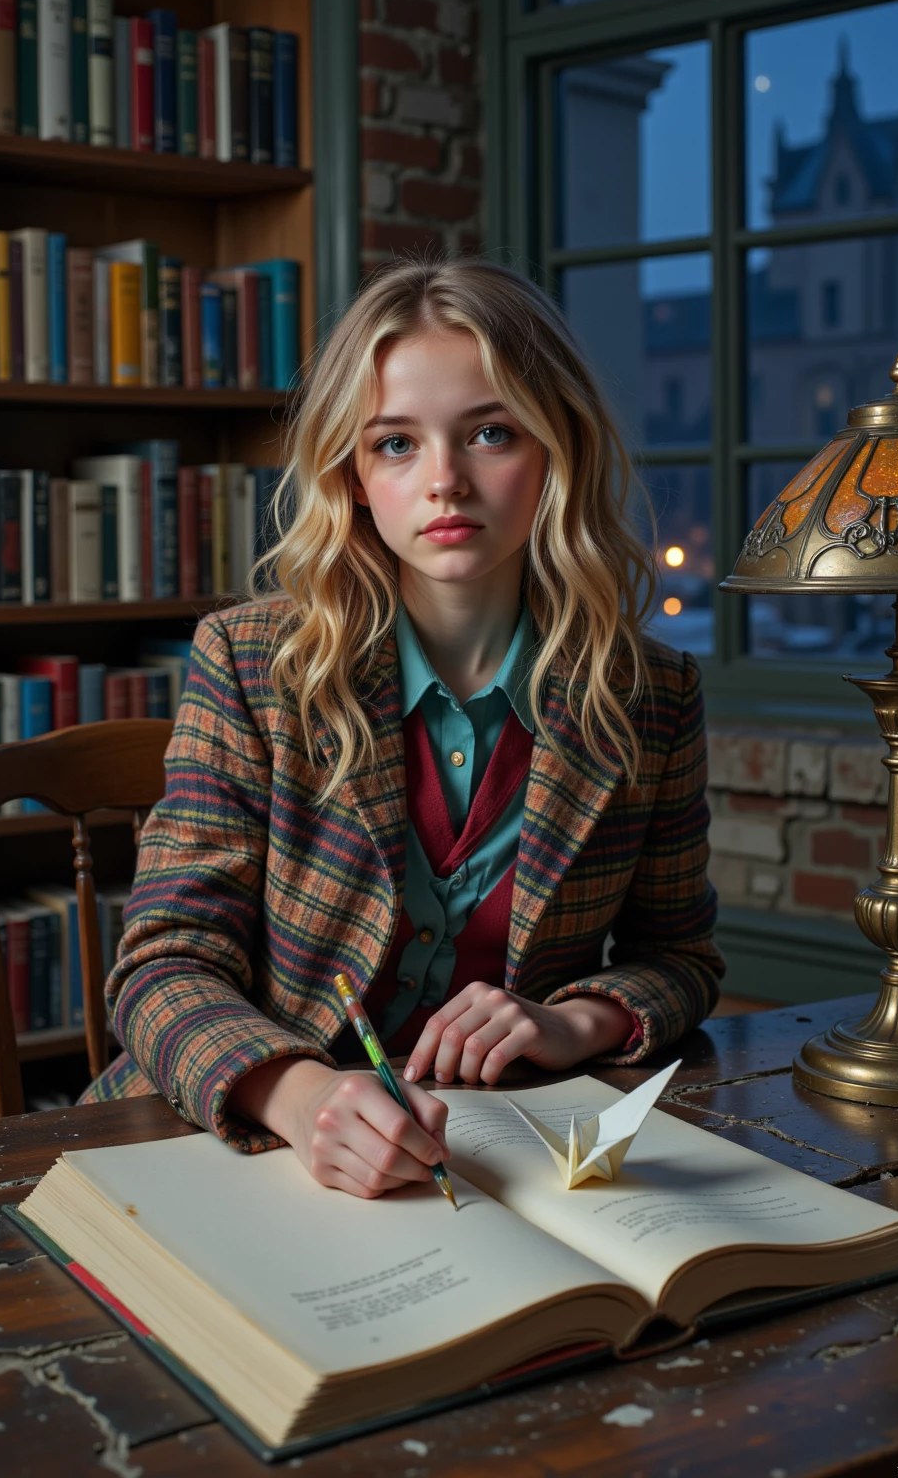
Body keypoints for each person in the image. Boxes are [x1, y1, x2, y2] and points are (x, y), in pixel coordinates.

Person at [80, 256, 725, 1200]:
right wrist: (297, 1097)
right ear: (351, 473)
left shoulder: (648, 695)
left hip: (503, 1154)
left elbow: (681, 958)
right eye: (396, 444)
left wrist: (572, 1022)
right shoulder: (251, 664)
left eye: (491, 433)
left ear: (558, 452)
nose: (445, 482)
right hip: (230, 1147)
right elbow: (163, 964)